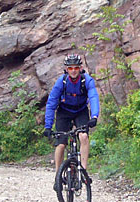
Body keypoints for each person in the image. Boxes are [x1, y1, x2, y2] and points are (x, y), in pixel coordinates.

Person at [43, 53, 100, 190]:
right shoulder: (61, 82)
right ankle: (58, 175)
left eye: (76, 68)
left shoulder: (86, 80)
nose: (73, 70)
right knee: (61, 144)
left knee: (84, 136)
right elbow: (51, 103)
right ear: (66, 70)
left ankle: (83, 171)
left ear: (80, 68)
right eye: (70, 68)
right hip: (64, 112)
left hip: (80, 111)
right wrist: (48, 126)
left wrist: (94, 116)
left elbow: (93, 97)